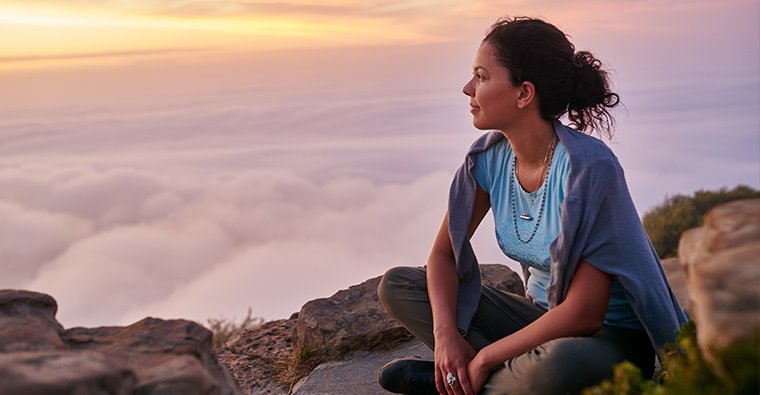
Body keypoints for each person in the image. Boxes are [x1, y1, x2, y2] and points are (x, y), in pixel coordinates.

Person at [376, 16, 688, 395]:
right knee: (398, 284)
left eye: (482, 76)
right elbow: (442, 257)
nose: (467, 88)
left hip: (604, 340)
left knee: (556, 368)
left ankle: (469, 380)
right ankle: (481, 378)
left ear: (524, 94)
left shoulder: (587, 169)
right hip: (534, 320)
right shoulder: (489, 159)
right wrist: (447, 340)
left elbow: (584, 313)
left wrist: (486, 358)